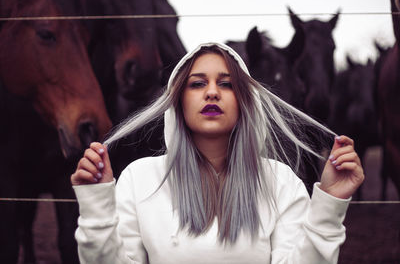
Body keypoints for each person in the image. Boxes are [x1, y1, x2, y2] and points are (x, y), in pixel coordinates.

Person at [71, 42, 364, 264]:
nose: (212, 92)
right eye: (197, 84)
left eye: (226, 84)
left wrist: (330, 204)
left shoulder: (280, 181)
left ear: (245, 102)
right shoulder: (139, 178)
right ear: (178, 101)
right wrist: (97, 208)